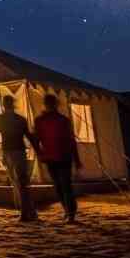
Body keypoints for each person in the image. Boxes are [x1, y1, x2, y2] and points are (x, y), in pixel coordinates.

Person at [0, 95, 40, 222]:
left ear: (3, 105)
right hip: (16, 152)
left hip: (10, 152)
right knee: (21, 183)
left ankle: (26, 212)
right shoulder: (19, 119)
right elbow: (28, 135)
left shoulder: (0, 119)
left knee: (18, 183)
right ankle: (29, 211)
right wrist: (38, 149)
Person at [35, 94, 82, 223]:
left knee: (64, 186)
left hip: (61, 156)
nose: (50, 106)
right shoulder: (41, 120)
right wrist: (40, 153)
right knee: (61, 186)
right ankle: (68, 211)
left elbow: (71, 140)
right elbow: (36, 139)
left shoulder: (61, 120)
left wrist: (76, 159)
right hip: (54, 157)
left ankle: (70, 213)